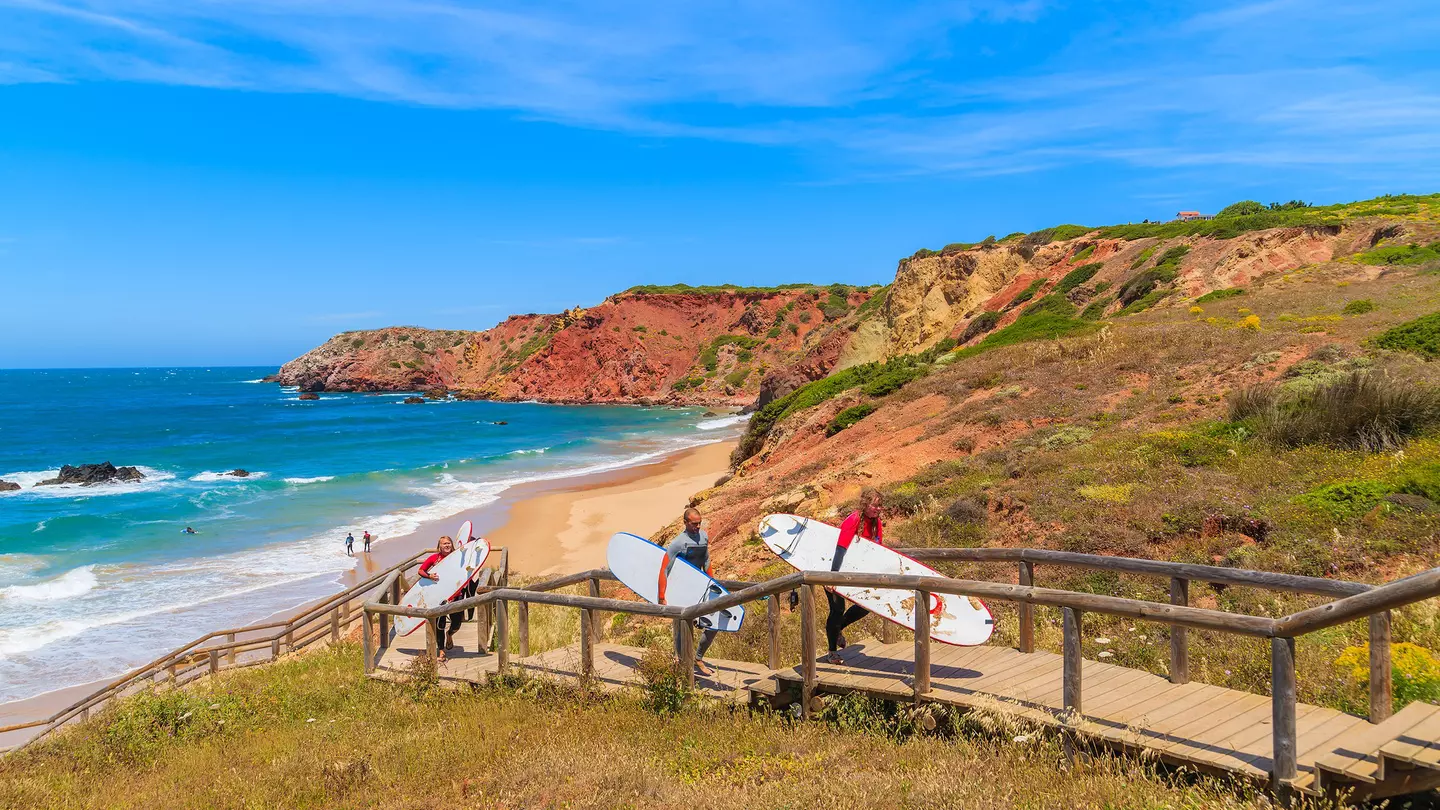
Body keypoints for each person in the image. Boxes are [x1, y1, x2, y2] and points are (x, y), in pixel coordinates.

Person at [824, 488, 885, 664]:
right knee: (837, 609)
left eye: (880, 505)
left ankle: (837, 629)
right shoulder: (853, 520)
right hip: (834, 568)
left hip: (857, 571)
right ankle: (832, 652)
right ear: (865, 504)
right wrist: (832, 578)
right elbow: (840, 550)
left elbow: (876, 550)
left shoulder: (876, 522)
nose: (877, 509)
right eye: (874, 505)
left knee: (865, 606)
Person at [658, 507, 718, 677]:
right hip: (681, 591)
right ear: (685, 523)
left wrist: (712, 584)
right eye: (694, 524)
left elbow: (706, 561)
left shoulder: (704, 536)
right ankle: (679, 662)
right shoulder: (678, 543)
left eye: (699, 523)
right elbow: (665, 568)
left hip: (700, 589)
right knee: (683, 627)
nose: (697, 527)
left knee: (713, 625)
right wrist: (662, 596)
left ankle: (698, 658)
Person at [417, 535, 465, 660]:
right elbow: (421, 570)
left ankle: (450, 634)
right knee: (440, 624)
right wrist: (429, 576)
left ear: (452, 544)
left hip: (457, 595)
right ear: (439, 546)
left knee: (457, 624)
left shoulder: (457, 556)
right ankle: (441, 650)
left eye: (448, 543)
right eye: (444, 544)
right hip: (440, 597)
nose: (447, 545)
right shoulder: (434, 558)